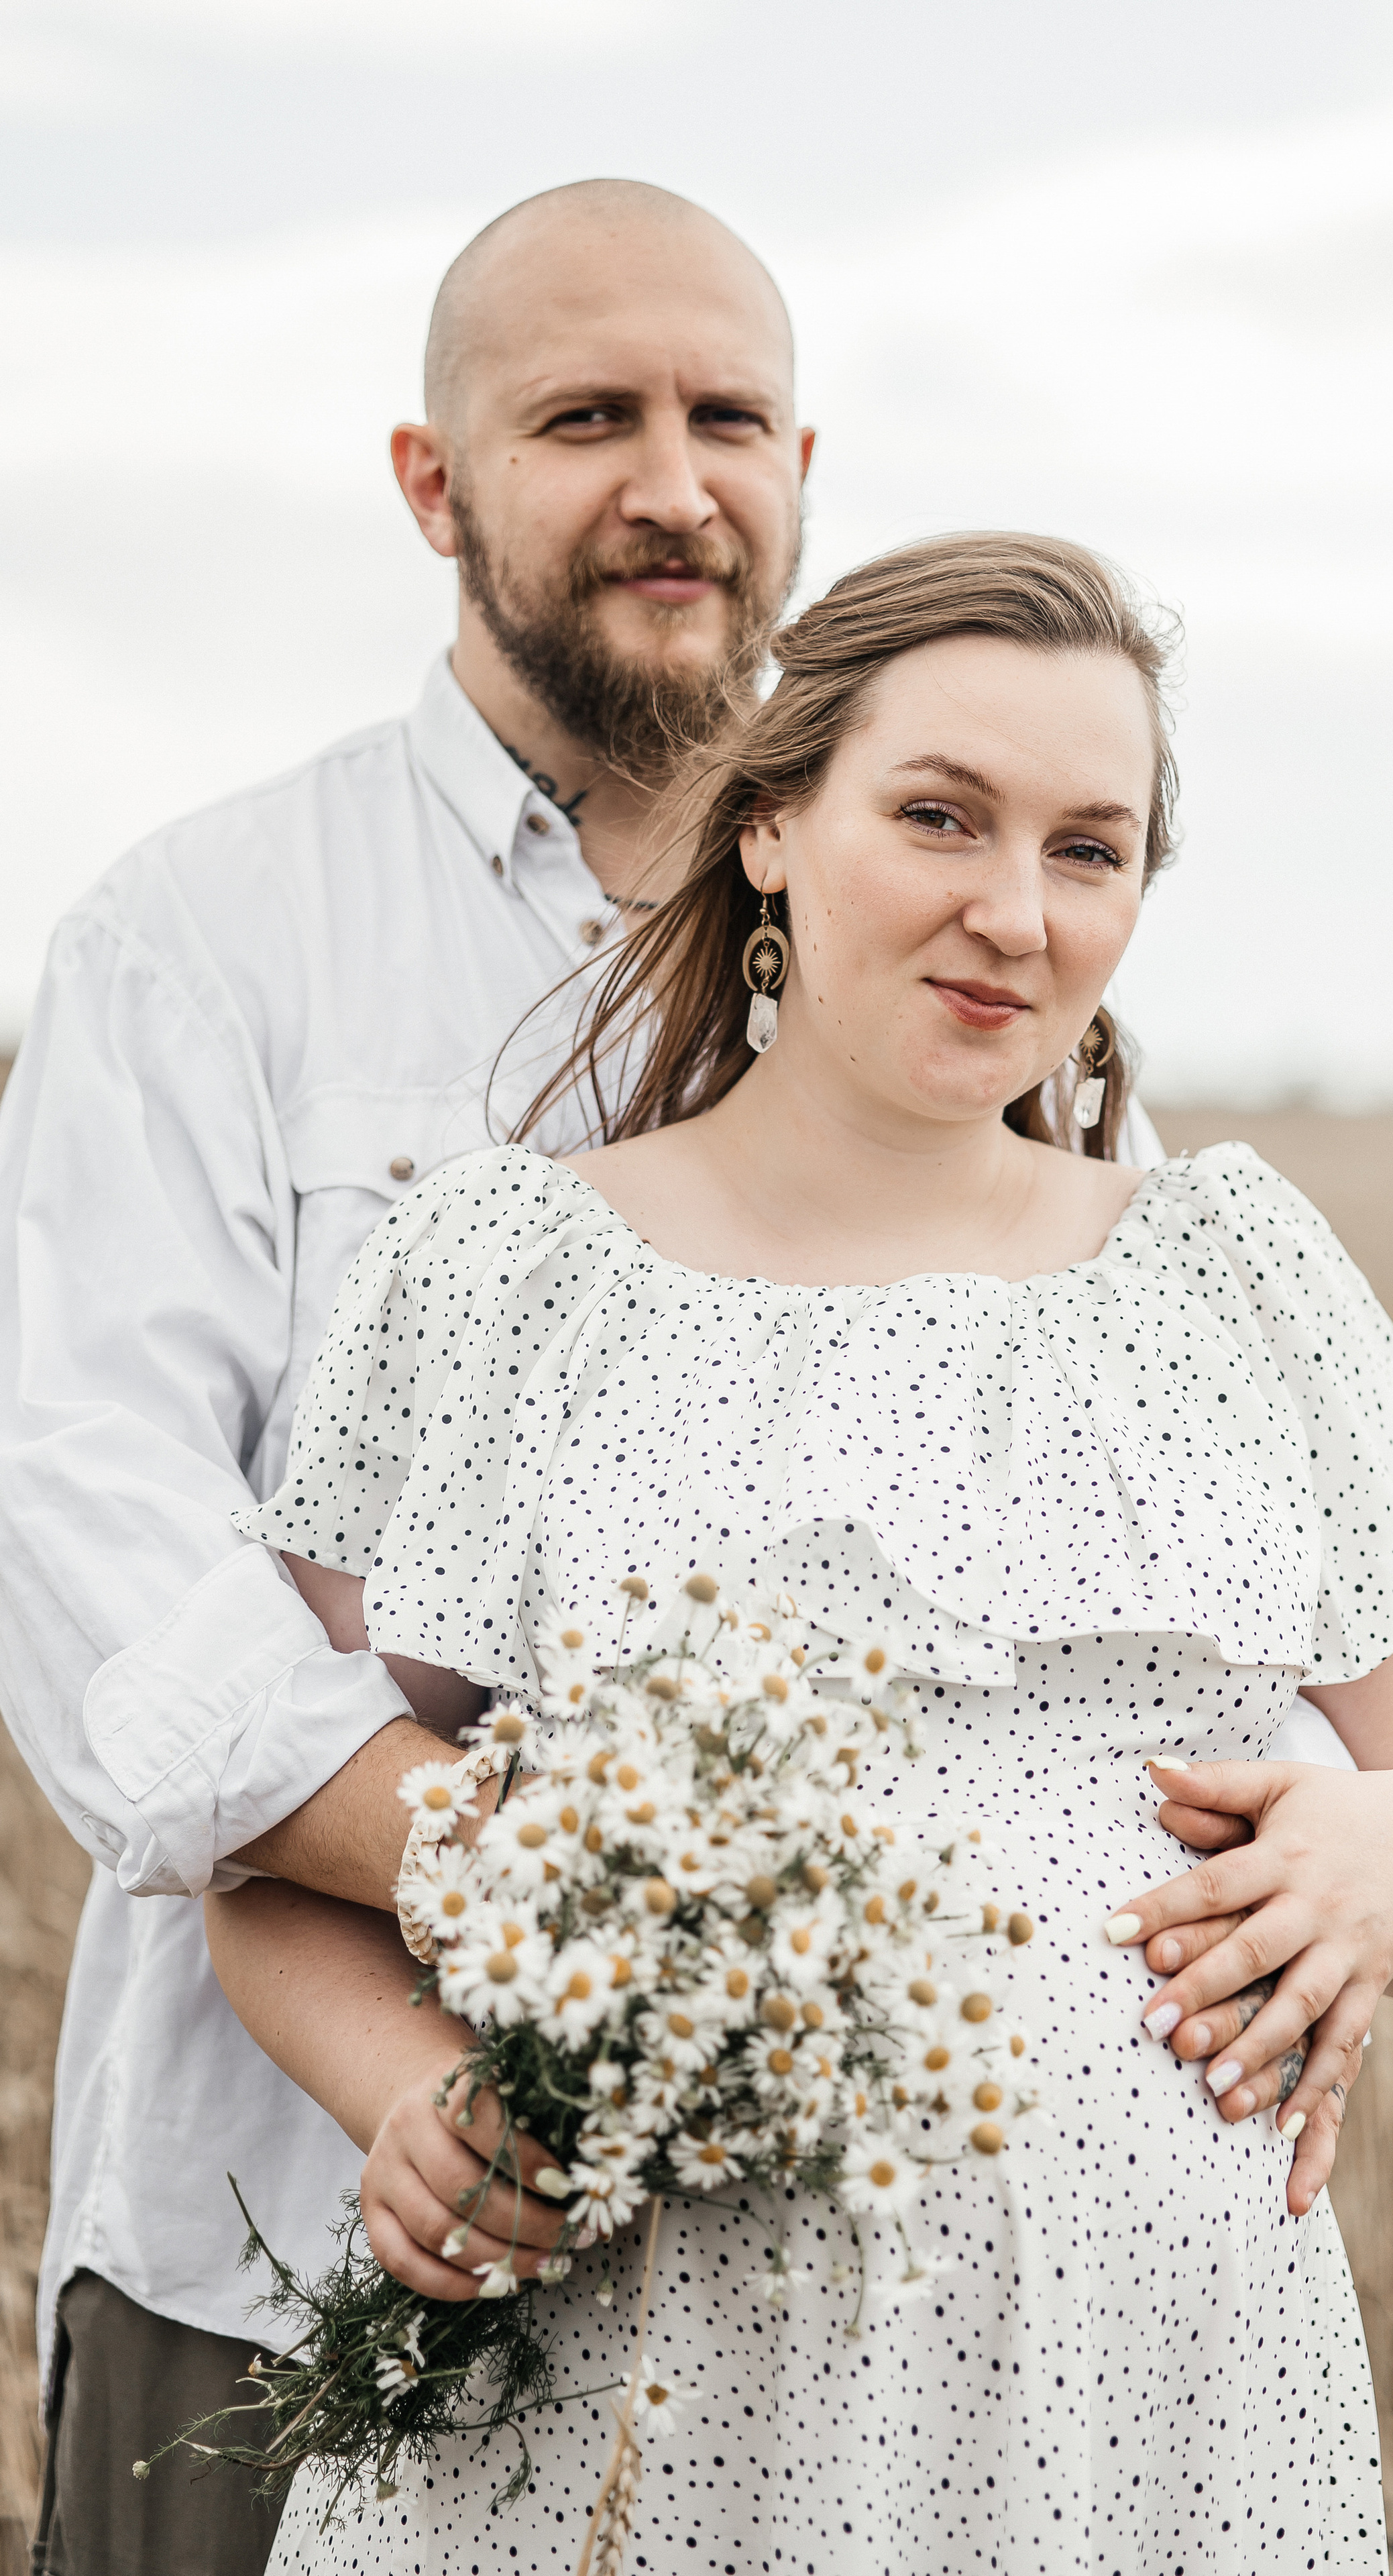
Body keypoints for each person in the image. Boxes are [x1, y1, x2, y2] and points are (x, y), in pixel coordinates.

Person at [206, 533, 1393, 2575]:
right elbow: (266, 1840)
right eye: (939, 816)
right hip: (632, 2402)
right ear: (769, 827)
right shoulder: (508, 1280)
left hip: (1151, 2415)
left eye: (1090, 851)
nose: (1014, 913)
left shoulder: (1229, 1281)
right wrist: (411, 2103)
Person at [0, 178, 820, 2576]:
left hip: (837, 2290)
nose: (674, 482)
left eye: (728, 417)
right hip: (289, 2248)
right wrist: (531, 1897)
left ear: (802, 467)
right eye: (587, 418)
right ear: (433, 485)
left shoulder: (935, 931)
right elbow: (85, 1528)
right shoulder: (206, 937)